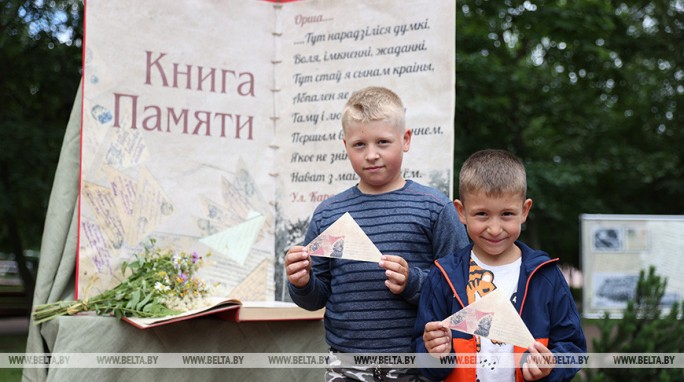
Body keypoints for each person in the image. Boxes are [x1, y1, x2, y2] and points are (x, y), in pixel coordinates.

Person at [285, 86, 469, 381]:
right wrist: (302, 282)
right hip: (345, 364)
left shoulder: (435, 208)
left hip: (416, 364)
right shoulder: (328, 214)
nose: (371, 155)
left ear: (405, 140)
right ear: (345, 145)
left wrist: (413, 282)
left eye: (383, 142)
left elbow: (462, 291)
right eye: (359, 145)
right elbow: (314, 300)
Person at [414, 149, 586, 382]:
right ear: (461, 212)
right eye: (482, 214)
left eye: (506, 214)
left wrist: (550, 367)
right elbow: (424, 358)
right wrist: (435, 353)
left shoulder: (546, 276)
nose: (494, 229)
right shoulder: (443, 275)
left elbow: (573, 348)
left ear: (524, 211)